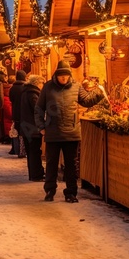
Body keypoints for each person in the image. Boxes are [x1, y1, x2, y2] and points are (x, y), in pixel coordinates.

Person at [35, 60, 105, 203]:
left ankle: (71, 193)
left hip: (71, 133)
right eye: (61, 76)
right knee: (51, 164)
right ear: (56, 75)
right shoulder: (48, 87)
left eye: (66, 76)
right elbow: (39, 109)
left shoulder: (76, 86)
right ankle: (50, 191)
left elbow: (86, 101)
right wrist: (41, 127)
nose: (64, 78)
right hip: (52, 133)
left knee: (71, 165)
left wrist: (99, 93)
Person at [20, 74, 45, 181]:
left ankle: (33, 174)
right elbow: (37, 109)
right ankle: (36, 175)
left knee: (31, 152)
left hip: (26, 126)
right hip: (33, 127)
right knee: (35, 151)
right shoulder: (33, 94)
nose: (42, 86)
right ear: (37, 83)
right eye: (42, 83)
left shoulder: (25, 92)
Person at [9, 70, 27, 156]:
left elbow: (11, 99)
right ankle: (22, 150)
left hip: (15, 112)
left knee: (16, 131)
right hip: (24, 112)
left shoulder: (13, 88)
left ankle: (16, 149)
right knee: (24, 132)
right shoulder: (26, 87)